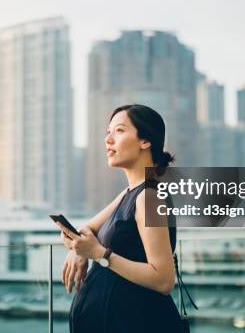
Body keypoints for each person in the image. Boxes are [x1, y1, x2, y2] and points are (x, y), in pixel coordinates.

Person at [56, 104, 186, 332]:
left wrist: (98, 253)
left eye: (119, 131)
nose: (108, 140)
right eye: (108, 132)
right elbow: (87, 229)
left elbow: (164, 280)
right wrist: (77, 249)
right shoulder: (130, 193)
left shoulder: (149, 197)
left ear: (145, 141)